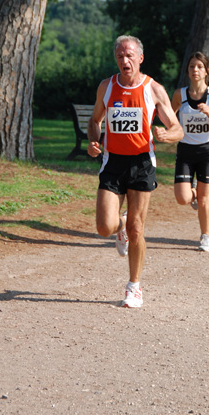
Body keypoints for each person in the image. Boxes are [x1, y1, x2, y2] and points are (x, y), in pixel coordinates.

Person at [87, 35, 184, 308]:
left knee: (137, 228)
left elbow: (178, 128)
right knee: (105, 226)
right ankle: (121, 227)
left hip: (142, 162)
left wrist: (167, 135)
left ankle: (134, 287)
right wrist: (93, 142)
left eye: (129, 55)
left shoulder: (153, 89)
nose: (124, 60)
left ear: (140, 58)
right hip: (113, 162)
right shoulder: (106, 87)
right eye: (119, 56)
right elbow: (95, 121)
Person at [171, 52, 209, 253]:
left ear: (206, 71)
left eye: (199, 67)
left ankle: (205, 237)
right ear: (188, 70)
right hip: (185, 150)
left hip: (206, 152)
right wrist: (169, 130)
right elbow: (170, 116)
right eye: (192, 66)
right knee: (182, 198)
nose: (195, 70)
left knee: (204, 199)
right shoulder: (180, 95)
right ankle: (192, 191)